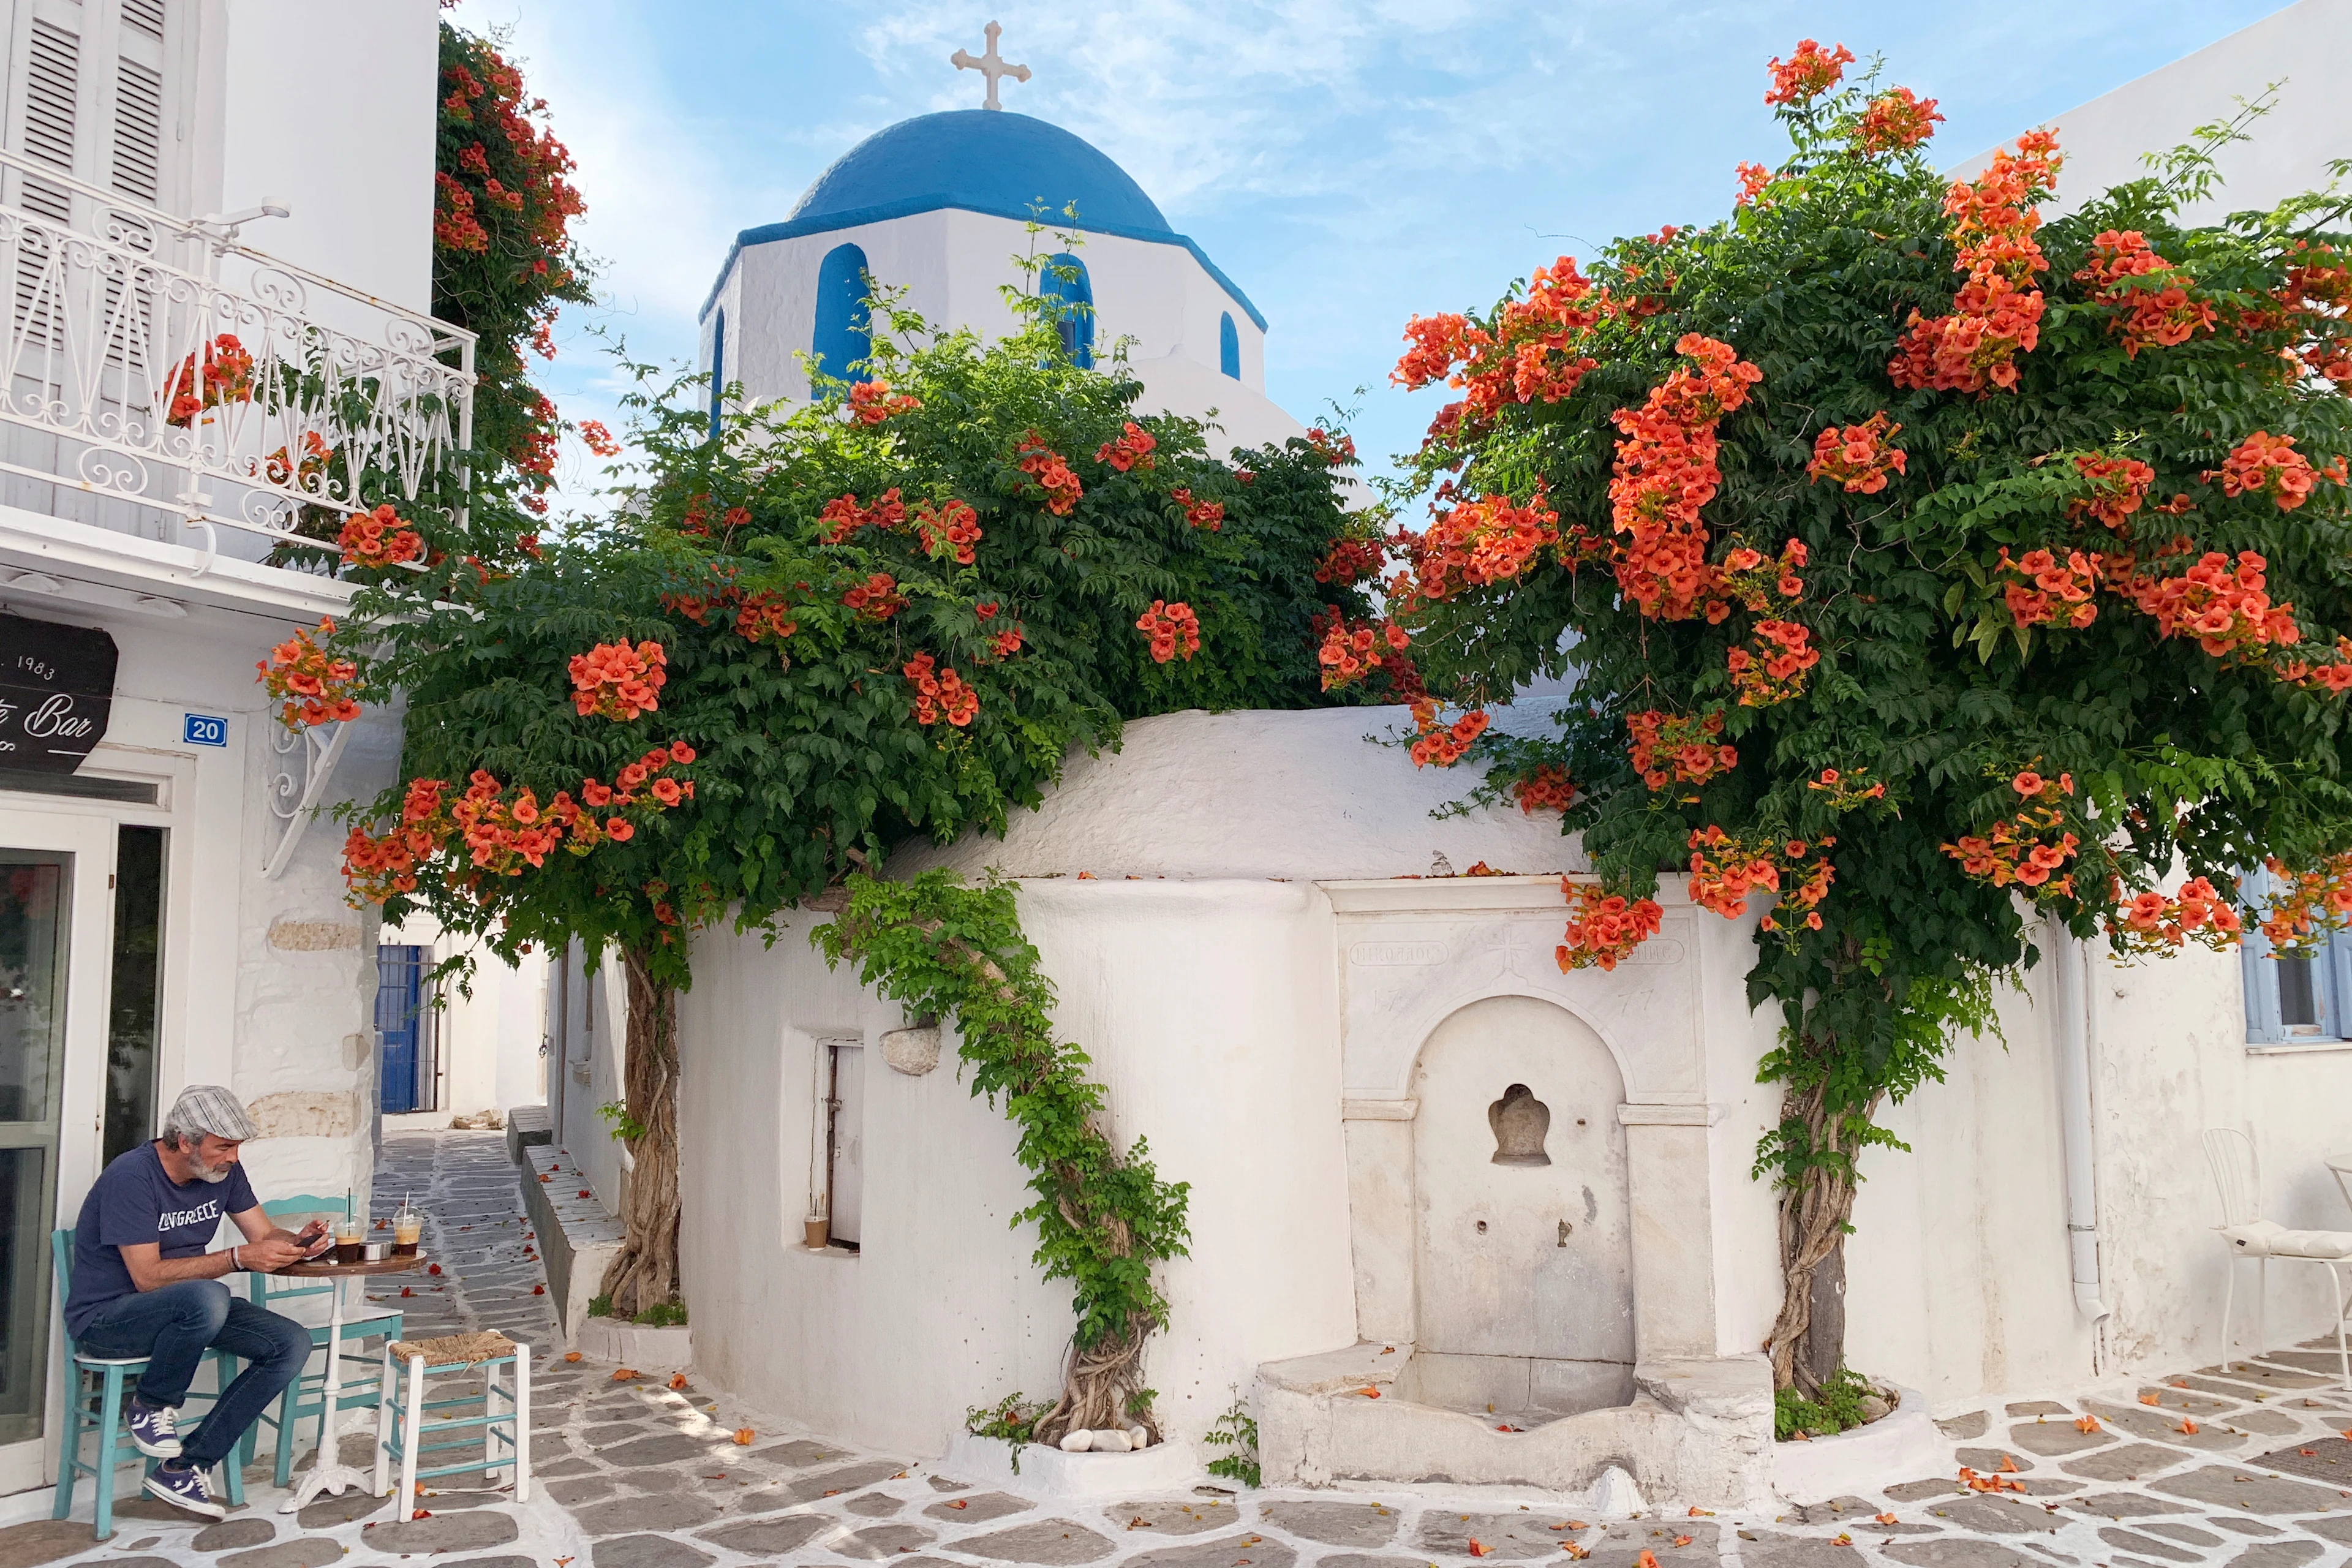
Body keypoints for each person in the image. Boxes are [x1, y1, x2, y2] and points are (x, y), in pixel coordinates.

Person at [64, 1085, 331, 1518]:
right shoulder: (131, 1177)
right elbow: (148, 1278)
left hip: (188, 1310)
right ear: (185, 1141)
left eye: (237, 1148)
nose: (233, 1158)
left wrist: (299, 1243)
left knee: (290, 1343)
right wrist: (236, 1259)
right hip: (109, 1320)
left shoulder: (224, 1173)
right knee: (209, 1294)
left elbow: (262, 1235)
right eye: (223, 1147)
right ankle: (150, 1405)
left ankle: (186, 1468)